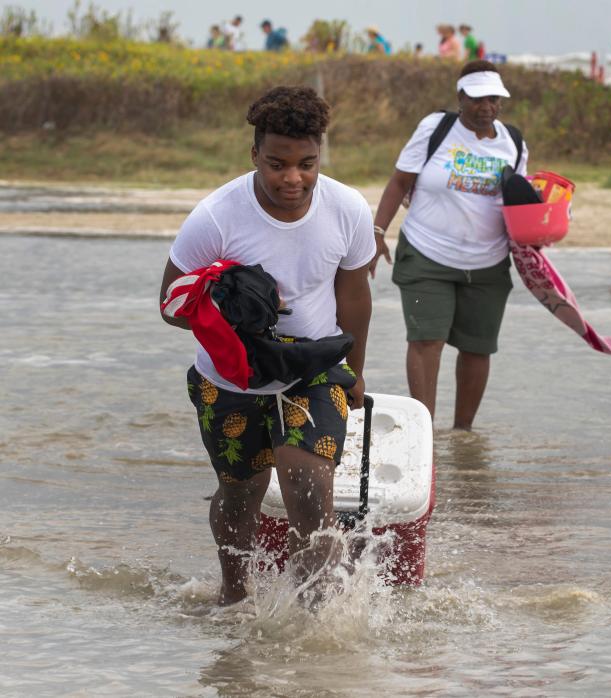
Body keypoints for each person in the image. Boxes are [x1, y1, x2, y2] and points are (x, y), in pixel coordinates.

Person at [158, 86, 376, 605]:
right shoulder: (216, 217)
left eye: (307, 163)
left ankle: (315, 620)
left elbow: (356, 298)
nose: (293, 179)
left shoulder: (347, 208)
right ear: (255, 154)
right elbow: (170, 303)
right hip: (230, 374)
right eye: (277, 163)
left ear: (320, 155)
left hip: (315, 367)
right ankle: (235, 599)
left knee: (307, 482)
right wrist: (228, 306)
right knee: (239, 493)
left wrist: (357, 371)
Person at [369, 60, 528, 430]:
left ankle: (463, 436)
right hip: (427, 256)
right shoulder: (435, 129)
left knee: (478, 348)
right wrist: (377, 234)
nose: (487, 106)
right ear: (460, 97)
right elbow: (398, 182)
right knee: (427, 341)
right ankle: (422, 433)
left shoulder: (514, 143)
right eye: (477, 98)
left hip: (488, 263)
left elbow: (518, 203)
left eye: (494, 98)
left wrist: (537, 238)